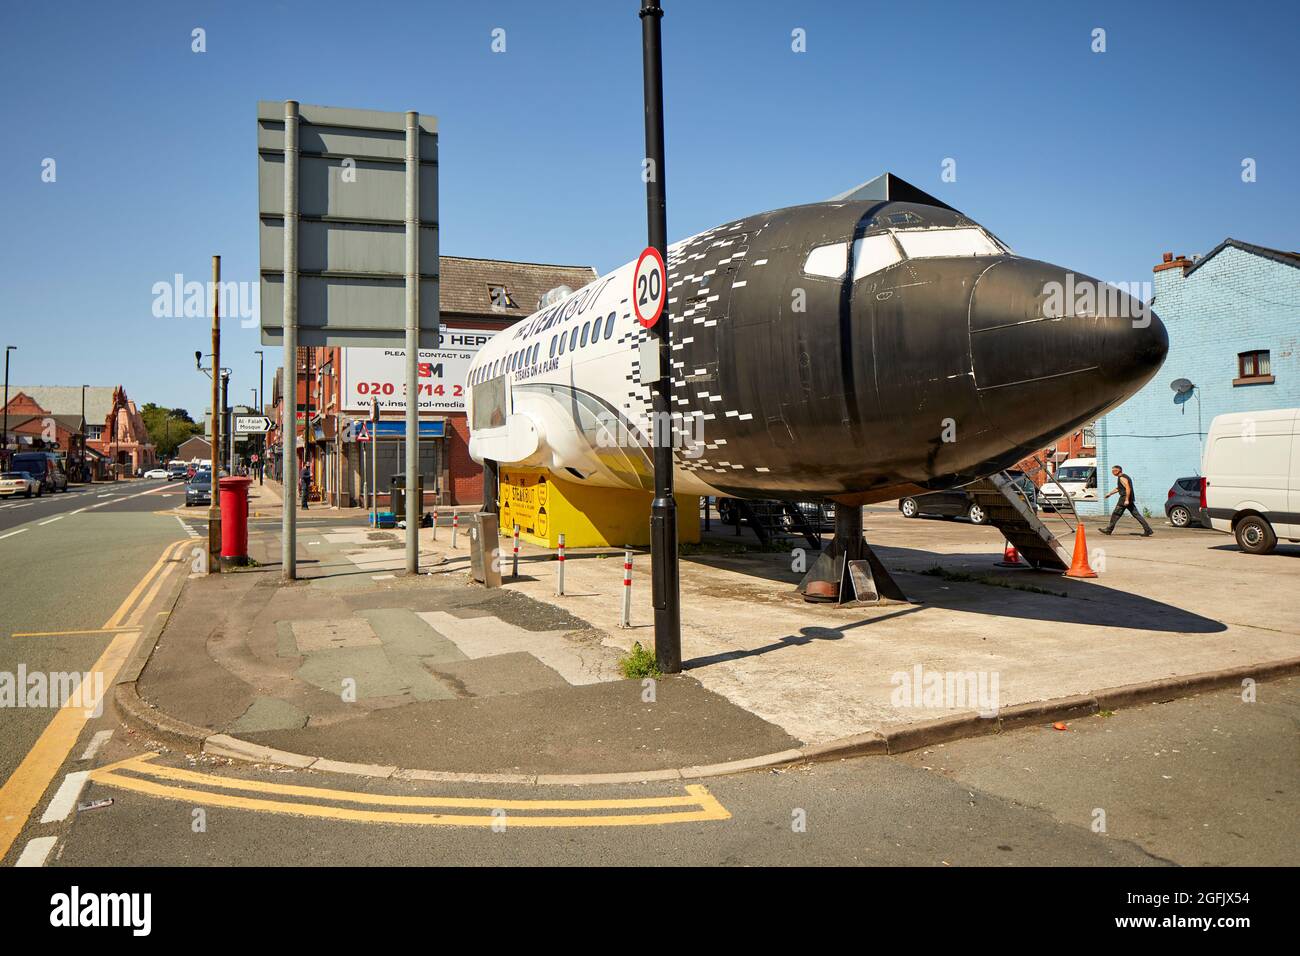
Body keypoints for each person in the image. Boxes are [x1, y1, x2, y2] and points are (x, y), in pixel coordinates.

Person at [1100, 464, 1152, 536]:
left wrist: (1126, 499)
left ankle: (1108, 530)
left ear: (1118, 470)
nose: (1112, 472)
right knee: (1136, 515)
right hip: (1128, 499)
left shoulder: (1122, 478)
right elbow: (1119, 488)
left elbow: (1128, 488)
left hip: (1124, 499)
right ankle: (1148, 530)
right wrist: (1110, 494)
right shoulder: (1123, 477)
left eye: (1113, 471)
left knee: (1115, 514)